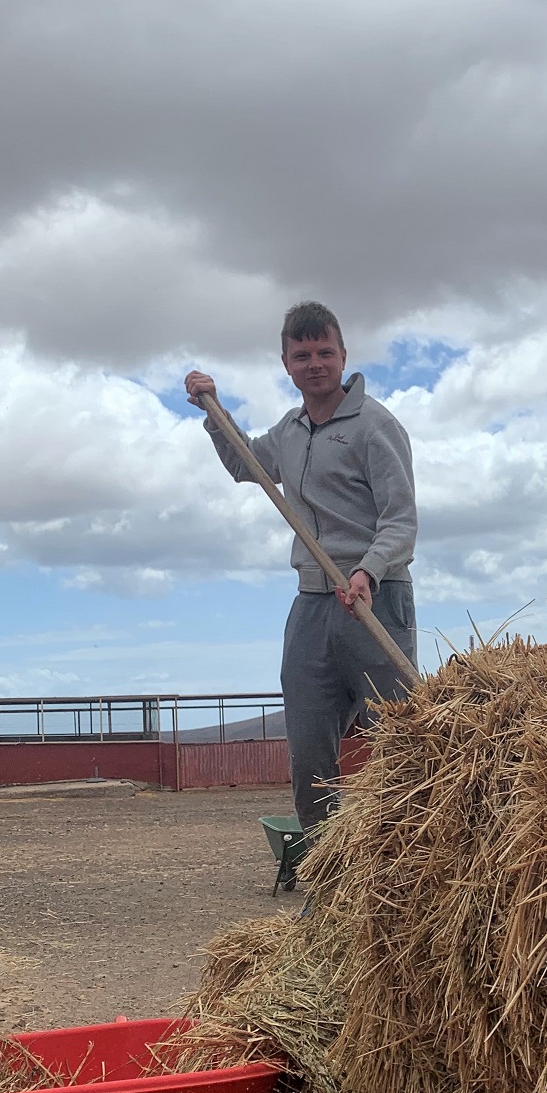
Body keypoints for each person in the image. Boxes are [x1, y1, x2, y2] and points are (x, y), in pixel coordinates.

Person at [185, 301, 417, 837]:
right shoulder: (290, 432)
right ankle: (322, 866)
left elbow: (400, 522)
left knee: (398, 745)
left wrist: (369, 571)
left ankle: (403, 863)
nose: (315, 363)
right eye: (302, 355)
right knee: (310, 747)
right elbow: (247, 463)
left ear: (343, 356)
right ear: (287, 364)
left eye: (324, 352)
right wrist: (214, 412)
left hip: (375, 601)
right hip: (313, 603)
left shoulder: (376, 426)